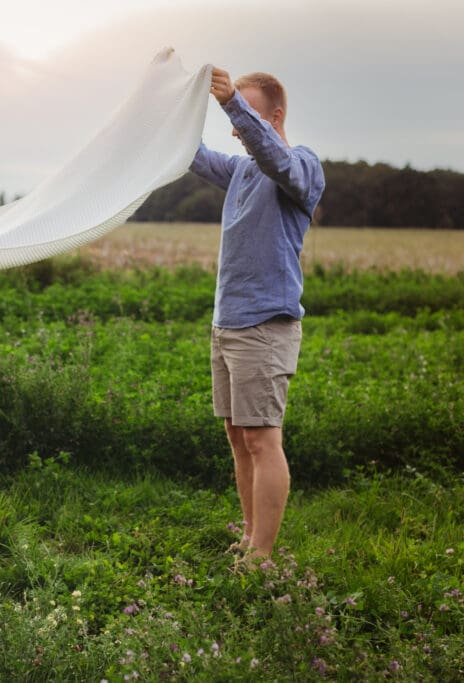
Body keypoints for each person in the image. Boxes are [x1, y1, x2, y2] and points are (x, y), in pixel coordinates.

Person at [190, 67, 325, 565]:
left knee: (263, 439)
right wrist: (172, 109)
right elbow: (195, 156)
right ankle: (249, 539)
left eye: (246, 112)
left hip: (266, 325)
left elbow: (274, 156)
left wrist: (231, 103)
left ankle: (262, 557)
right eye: (233, 112)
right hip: (226, 323)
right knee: (238, 437)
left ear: (275, 114)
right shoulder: (242, 170)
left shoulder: (302, 166)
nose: (235, 127)